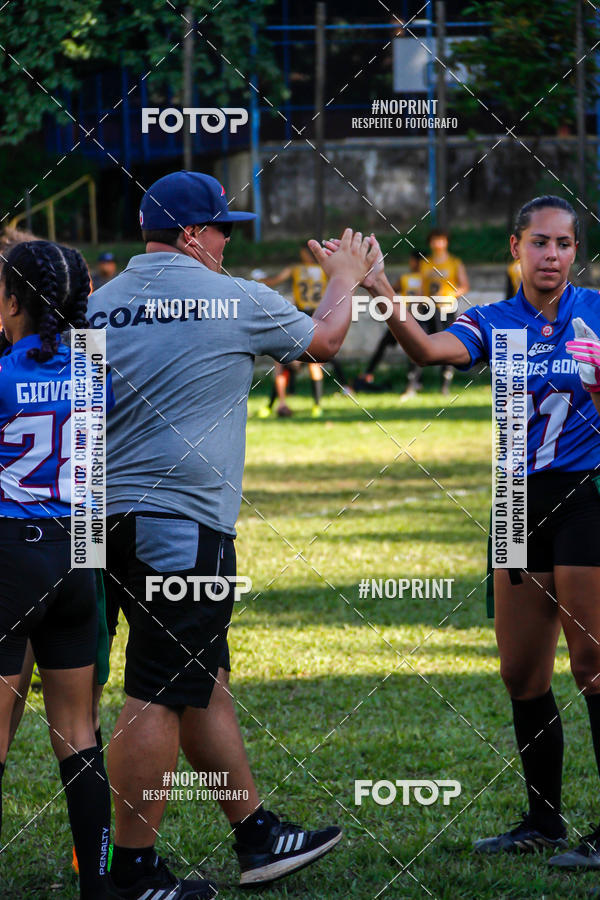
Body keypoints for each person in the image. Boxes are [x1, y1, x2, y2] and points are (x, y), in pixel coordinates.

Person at [88, 170, 377, 899]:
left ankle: (256, 835)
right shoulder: (231, 296)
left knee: (201, 676)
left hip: (102, 522)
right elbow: (328, 340)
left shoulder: (97, 301)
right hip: (183, 521)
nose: (225, 240)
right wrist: (341, 276)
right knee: (157, 689)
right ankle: (133, 873)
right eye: (220, 228)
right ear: (191, 235)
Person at [331, 195, 600, 866]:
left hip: (587, 497)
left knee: (594, 668)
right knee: (522, 675)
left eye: (564, 244)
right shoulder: (493, 320)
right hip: (514, 502)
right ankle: (543, 822)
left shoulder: (596, 313)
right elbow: (426, 352)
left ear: (576, 252)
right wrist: (382, 289)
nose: (551, 256)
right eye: (539, 242)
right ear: (516, 248)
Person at [0, 240, 113, 899]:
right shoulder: (94, 366)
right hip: (77, 557)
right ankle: (98, 887)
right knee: (78, 730)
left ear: (13, 301)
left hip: (13, 556)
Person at [258, 246, 351, 417]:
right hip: (317, 316)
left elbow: (275, 280)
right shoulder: (324, 270)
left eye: (303, 254)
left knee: (286, 362)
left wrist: (259, 280)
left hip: (303, 317)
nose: (302, 257)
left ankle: (277, 404)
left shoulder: (296, 269)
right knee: (312, 360)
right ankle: (316, 404)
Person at [355, 248, 424, 392]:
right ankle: (415, 382)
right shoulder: (428, 279)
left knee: (385, 344)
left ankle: (369, 372)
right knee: (416, 349)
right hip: (419, 317)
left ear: (415, 261)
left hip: (404, 318)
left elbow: (390, 291)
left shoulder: (407, 278)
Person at [417, 228, 469, 395]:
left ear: (446, 242)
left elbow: (464, 286)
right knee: (419, 340)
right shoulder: (425, 262)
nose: (437, 243)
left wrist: (450, 295)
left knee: (447, 344)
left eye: (441, 239)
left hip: (446, 308)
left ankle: (445, 385)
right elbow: (420, 286)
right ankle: (414, 383)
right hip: (427, 308)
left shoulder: (454, 262)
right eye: (434, 240)